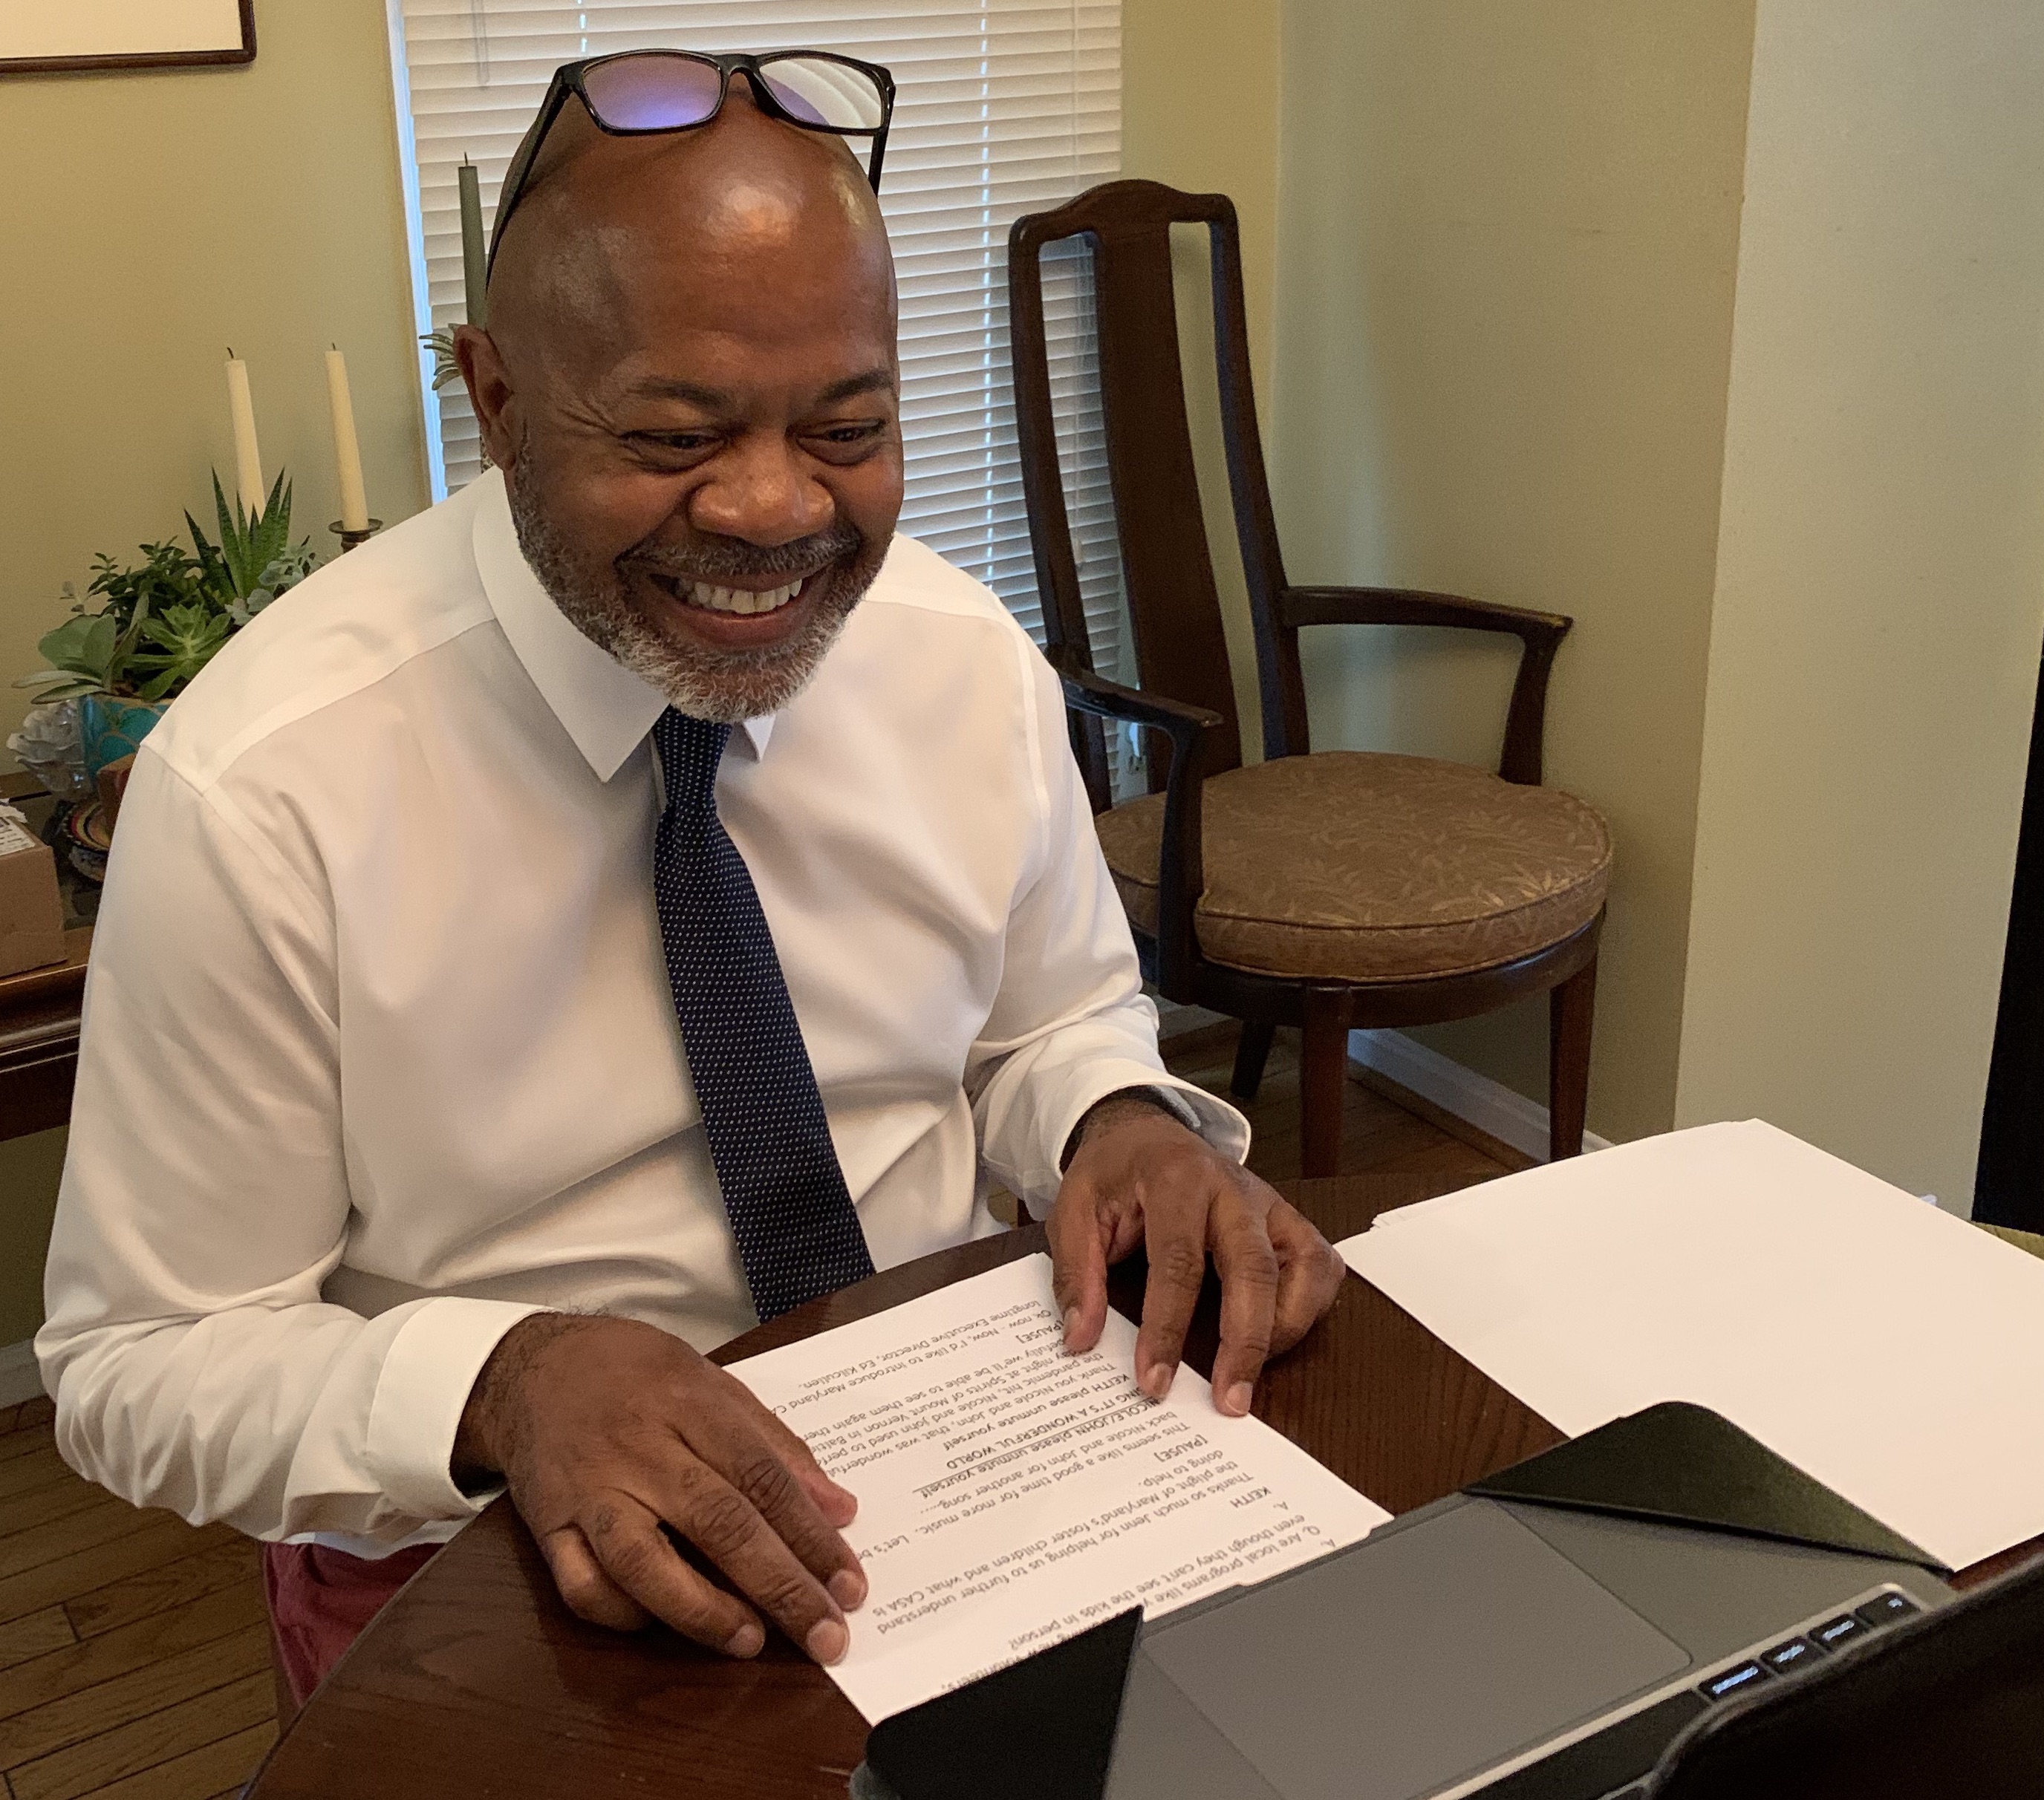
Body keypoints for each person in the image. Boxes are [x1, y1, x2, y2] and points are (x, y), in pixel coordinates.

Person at [37, 61, 1344, 1706]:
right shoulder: (268, 785)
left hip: (962, 1474)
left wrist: (1119, 1123)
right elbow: (137, 1363)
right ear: (496, 400)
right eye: (674, 436)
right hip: (495, 1568)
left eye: (850, 430)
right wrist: (504, 1383)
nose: (775, 510)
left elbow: (1049, 1019)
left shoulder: (959, 660)